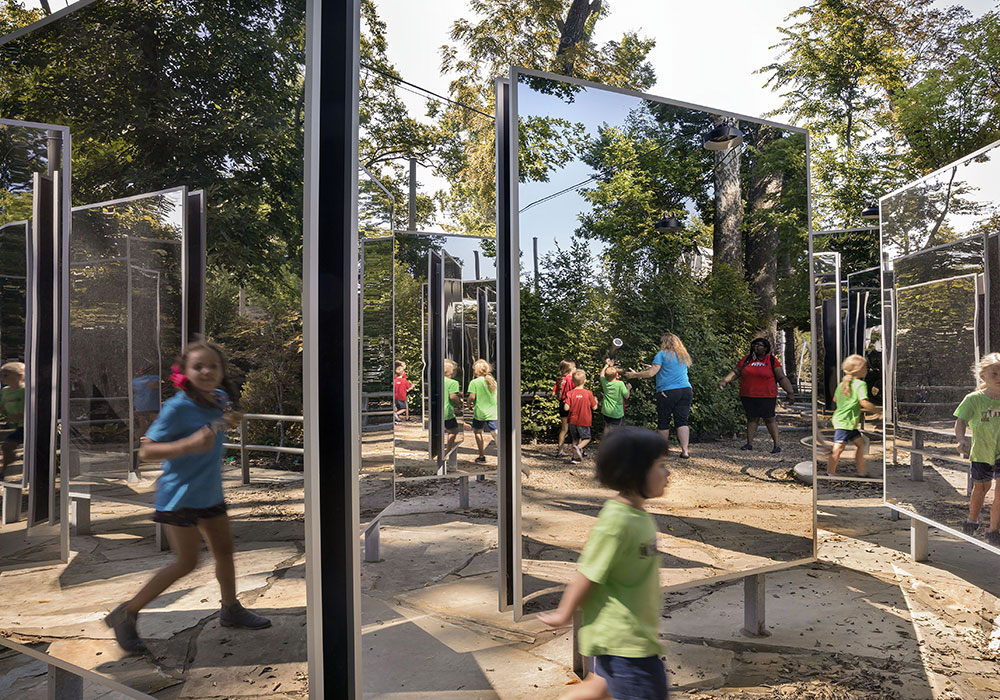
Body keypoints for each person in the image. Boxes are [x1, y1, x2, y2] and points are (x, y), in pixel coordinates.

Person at [105, 339, 270, 655]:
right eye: (199, 366)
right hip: (178, 498)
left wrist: (226, 420)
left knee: (224, 551)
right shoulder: (177, 407)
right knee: (186, 562)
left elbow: (231, 415)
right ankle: (126, 613)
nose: (206, 371)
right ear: (184, 373)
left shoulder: (219, 398)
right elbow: (147, 449)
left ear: (221, 371)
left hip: (209, 493)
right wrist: (189, 445)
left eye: (213, 366)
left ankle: (231, 609)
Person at [539, 426, 670, 700]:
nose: (668, 474)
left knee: (599, 687)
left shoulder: (638, 515)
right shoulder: (617, 521)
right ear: (636, 472)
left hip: (633, 635)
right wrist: (564, 613)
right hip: (624, 640)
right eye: (661, 466)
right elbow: (587, 573)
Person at [718, 337, 795, 453]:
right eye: (754, 345)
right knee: (751, 418)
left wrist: (790, 392)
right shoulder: (747, 360)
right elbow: (736, 372)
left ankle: (776, 445)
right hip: (748, 395)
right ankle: (749, 443)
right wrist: (725, 381)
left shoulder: (772, 360)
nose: (756, 347)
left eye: (759, 345)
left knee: (769, 419)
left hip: (767, 396)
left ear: (765, 348)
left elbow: (781, 377)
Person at [954, 352, 1000, 545]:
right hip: (981, 452)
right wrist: (961, 440)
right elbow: (960, 421)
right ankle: (972, 520)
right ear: (983, 376)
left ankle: (993, 530)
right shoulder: (974, 399)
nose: (999, 378)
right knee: (981, 488)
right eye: (995, 374)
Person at [625, 332, 693, 459]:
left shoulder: (661, 355)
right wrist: (653, 366)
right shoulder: (683, 356)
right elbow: (671, 370)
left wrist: (634, 375)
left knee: (663, 421)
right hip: (686, 390)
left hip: (667, 391)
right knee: (682, 421)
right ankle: (685, 451)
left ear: (665, 343)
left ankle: (662, 452)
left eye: (662, 342)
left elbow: (651, 373)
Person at [826, 354, 877, 477]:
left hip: (847, 422)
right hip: (845, 422)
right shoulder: (860, 385)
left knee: (861, 445)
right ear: (858, 370)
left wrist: (847, 403)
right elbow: (863, 402)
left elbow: (835, 399)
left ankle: (861, 472)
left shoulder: (842, 384)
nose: (867, 369)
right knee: (838, 449)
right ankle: (830, 473)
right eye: (865, 367)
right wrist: (877, 411)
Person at [467, 359, 498, 464]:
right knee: (495, 434)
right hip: (493, 411)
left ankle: (481, 455)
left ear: (475, 371)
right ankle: (502, 455)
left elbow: (472, 397)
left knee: (477, 432)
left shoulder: (474, 382)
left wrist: (468, 403)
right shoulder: (492, 381)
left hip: (480, 412)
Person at [565, 369, 598, 464]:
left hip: (572, 420)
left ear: (573, 381)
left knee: (575, 438)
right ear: (585, 381)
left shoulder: (570, 393)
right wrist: (596, 400)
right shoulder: (588, 393)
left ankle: (575, 458)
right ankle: (578, 448)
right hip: (584, 420)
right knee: (586, 438)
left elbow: (566, 408)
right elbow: (595, 407)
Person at [0, 361, 25, 481]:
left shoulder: (25, 390)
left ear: (19, 376)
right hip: (15, 425)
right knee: (7, 447)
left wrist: (21, 416)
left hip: (26, 426)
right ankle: (6, 469)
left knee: (7, 446)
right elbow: (2, 406)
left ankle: (4, 472)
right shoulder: (5, 391)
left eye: (6, 375)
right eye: (2, 375)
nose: (3, 378)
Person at [443, 358, 464, 469]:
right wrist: (460, 403)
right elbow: (452, 396)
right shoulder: (453, 383)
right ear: (451, 371)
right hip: (447, 412)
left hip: (437, 411)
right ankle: (447, 451)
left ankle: (440, 450)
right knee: (453, 431)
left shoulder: (437, 380)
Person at [554, 360, 576, 458]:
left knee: (564, 429)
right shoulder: (573, 380)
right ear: (570, 369)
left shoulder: (560, 380)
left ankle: (560, 451)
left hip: (562, 404)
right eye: (574, 367)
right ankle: (578, 451)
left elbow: (553, 394)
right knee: (576, 429)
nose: (576, 369)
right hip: (571, 404)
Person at [599, 359, 629, 431]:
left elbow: (601, 374)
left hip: (606, 410)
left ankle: (605, 440)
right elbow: (626, 396)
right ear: (617, 375)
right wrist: (628, 389)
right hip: (616, 412)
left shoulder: (604, 381)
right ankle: (613, 441)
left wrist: (607, 365)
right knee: (615, 430)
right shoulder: (620, 384)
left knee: (607, 426)